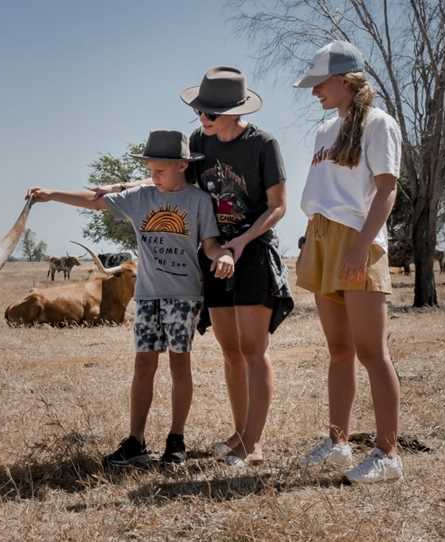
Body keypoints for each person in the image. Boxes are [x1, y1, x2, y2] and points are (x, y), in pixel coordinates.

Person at [94, 67, 293, 467]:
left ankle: (254, 444)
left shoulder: (263, 144)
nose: (203, 118)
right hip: (213, 254)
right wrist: (121, 188)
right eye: (200, 110)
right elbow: (170, 173)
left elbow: (278, 206)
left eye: (212, 112)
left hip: (250, 252)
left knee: (254, 349)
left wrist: (241, 242)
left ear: (236, 111)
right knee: (230, 351)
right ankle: (239, 434)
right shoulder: (200, 141)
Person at [28, 130, 235, 467]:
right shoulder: (141, 197)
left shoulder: (198, 201)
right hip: (148, 296)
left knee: (180, 365)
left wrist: (222, 255)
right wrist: (53, 194)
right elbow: (94, 200)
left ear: (182, 165)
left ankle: (176, 441)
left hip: (183, 296)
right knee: (143, 366)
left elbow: (209, 243)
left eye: (160, 171)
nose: (154, 177)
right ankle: (136, 441)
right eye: (151, 170)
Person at [294, 41, 403, 483]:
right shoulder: (325, 131)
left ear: (345, 81)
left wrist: (361, 245)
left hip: (358, 239)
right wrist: (308, 243)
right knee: (338, 350)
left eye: (320, 84)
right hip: (321, 238)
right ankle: (338, 442)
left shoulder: (379, 124)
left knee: (372, 351)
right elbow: (321, 192)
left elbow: (387, 189)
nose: (314, 91)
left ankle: (388, 454)